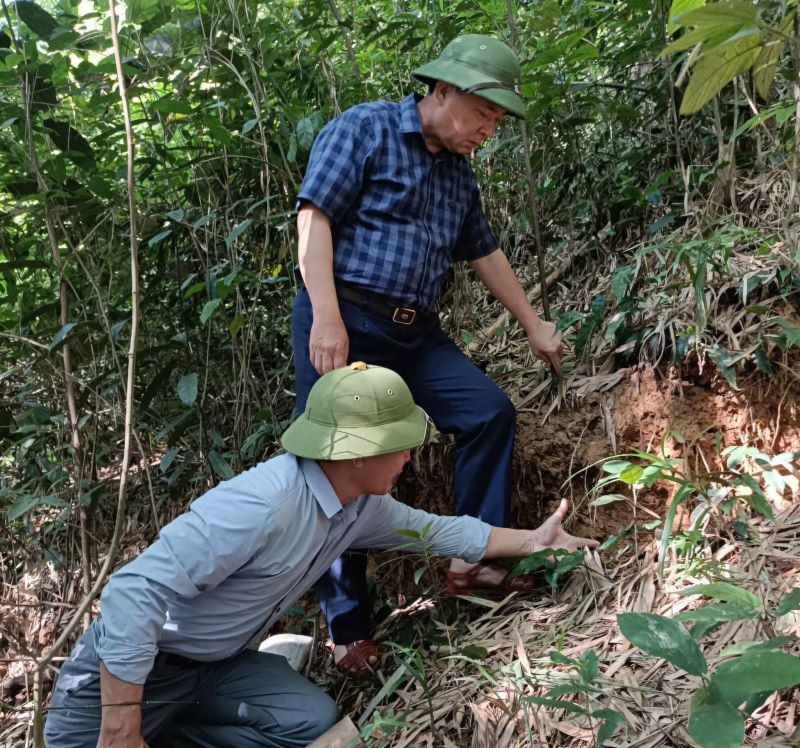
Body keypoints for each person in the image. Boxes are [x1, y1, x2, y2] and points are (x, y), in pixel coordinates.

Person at [44, 363, 596, 748]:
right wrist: (119, 724)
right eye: (399, 443)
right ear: (354, 453)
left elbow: (442, 533)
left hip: (212, 669)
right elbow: (132, 591)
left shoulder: (359, 506)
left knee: (313, 722)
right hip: (126, 677)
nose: (410, 454)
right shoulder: (262, 505)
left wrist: (533, 541)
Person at [292, 33, 563, 673]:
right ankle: (348, 628)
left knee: (488, 412)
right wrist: (326, 316)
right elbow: (313, 218)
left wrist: (532, 323)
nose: (487, 130)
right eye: (482, 113)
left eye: (497, 120)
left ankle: (474, 563)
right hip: (347, 316)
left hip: (416, 330)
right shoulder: (366, 129)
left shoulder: (457, 174)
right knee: (339, 463)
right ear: (440, 91)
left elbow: (483, 253)